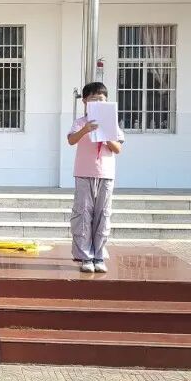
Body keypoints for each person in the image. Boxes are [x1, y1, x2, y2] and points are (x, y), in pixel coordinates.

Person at [66, 82, 124, 273]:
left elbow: (117, 149)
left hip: (106, 174)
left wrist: (106, 135)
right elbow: (71, 140)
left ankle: (99, 255)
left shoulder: (112, 123)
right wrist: (86, 129)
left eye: (101, 99)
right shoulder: (80, 122)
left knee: (103, 214)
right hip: (84, 173)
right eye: (93, 99)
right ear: (84, 101)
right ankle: (85, 257)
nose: (98, 103)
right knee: (83, 214)